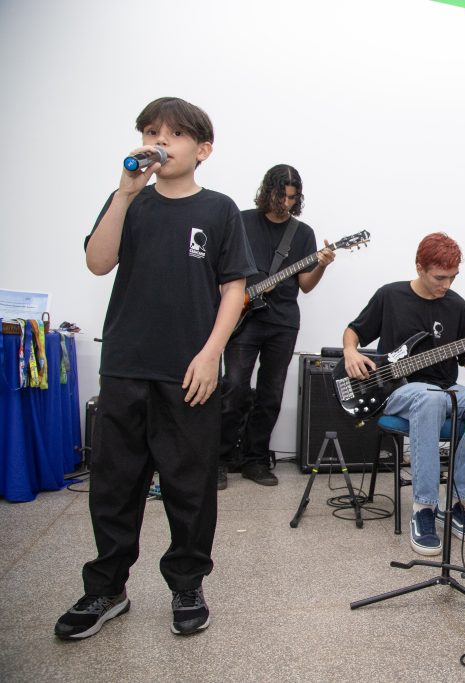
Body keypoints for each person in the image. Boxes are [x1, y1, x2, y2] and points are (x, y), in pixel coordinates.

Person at [56, 97, 254, 640]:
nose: (159, 142)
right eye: (150, 131)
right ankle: (106, 588)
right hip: (126, 363)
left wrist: (211, 353)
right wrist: (124, 193)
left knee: (190, 488)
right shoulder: (132, 203)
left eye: (173, 134)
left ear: (203, 148)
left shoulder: (219, 210)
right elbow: (98, 261)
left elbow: (234, 289)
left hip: (188, 370)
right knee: (115, 485)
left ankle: (187, 583)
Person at [342, 232, 465, 556]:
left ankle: (452, 503)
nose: (446, 285)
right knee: (430, 397)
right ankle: (423, 508)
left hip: (444, 387)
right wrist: (350, 352)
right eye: (440, 277)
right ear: (419, 267)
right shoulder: (390, 296)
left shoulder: (457, 306)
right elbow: (354, 330)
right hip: (397, 390)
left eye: (453, 278)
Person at [218, 165, 336, 489]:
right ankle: (219, 458)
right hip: (243, 319)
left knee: (271, 394)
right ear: (267, 191)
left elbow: (307, 285)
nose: (285, 203)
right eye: (280, 195)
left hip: (282, 322)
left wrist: (322, 265)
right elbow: (222, 268)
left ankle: (255, 460)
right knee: (234, 387)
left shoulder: (302, 233)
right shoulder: (241, 221)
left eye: (291, 197)